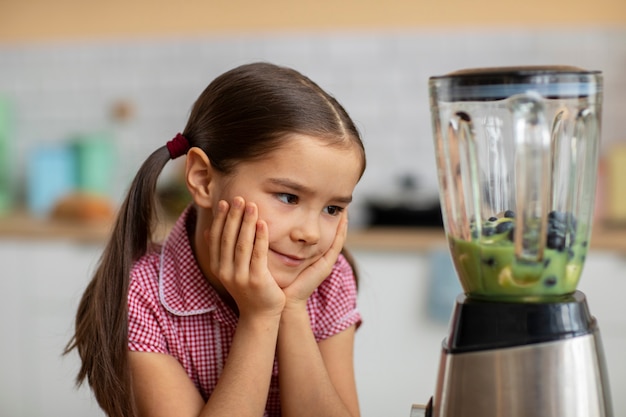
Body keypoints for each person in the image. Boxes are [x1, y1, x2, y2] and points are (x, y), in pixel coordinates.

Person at [65, 62, 367, 417]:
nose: (310, 234)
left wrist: (293, 309)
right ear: (203, 179)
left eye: (332, 209)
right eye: (288, 197)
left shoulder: (327, 280)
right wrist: (260, 317)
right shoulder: (138, 297)